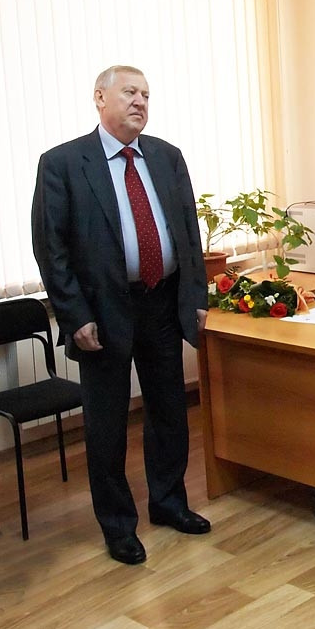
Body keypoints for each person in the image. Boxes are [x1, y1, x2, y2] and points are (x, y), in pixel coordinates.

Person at [32, 65, 212, 565]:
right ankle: (118, 526)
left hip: (162, 302)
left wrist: (195, 296)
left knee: (169, 411)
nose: (140, 102)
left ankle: (169, 503)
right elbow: (51, 249)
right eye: (130, 92)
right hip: (102, 311)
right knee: (108, 423)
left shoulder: (167, 157)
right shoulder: (63, 163)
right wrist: (74, 315)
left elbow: (189, 233)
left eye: (146, 95)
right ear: (99, 97)